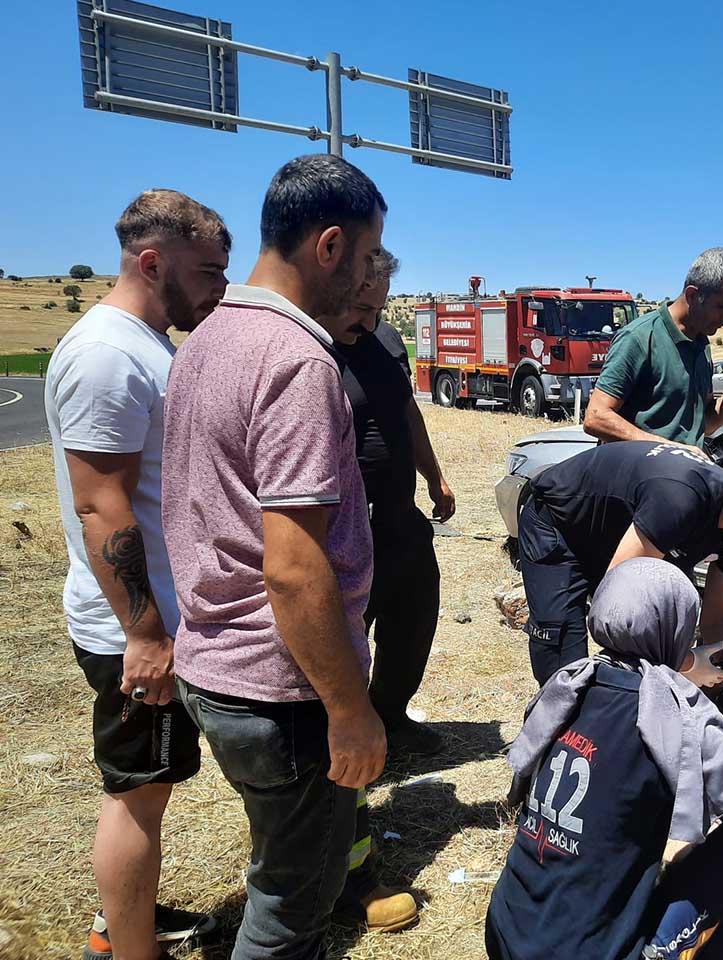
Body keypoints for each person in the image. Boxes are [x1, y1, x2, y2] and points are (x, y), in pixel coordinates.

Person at [163, 154, 387, 959]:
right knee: (294, 909)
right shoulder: (296, 360)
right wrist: (350, 707)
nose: (367, 281)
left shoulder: (209, 334)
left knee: (275, 870)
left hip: (216, 668)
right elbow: (293, 567)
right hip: (281, 690)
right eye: (365, 259)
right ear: (329, 246)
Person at [45, 190, 229, 960]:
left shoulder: (146, 343)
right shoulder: (107, 356)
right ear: (152, 263)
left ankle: (129, 924)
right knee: (137, 799)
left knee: (147, 789)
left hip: (157, 620)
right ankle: (127, 949)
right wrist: (146, 634)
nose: (218, 289)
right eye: (207, 273)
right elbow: (100, 506)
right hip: (137, 630)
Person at [485, 558, 723, 960]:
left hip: (509, 928)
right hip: (584, 951)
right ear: (675, 629)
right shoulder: (677, 723)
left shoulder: (568, 684)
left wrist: (679, 667)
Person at [519, 441, 723, 684]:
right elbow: (616, 611)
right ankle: (554, 746)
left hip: (614, 536)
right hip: (559, 523)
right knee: (563, 654)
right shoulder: (681, 499)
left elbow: (719, 618)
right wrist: (685, 663)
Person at [334, 248, 455, 753]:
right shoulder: (315, 345)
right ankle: (342, 728)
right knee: (348, 625)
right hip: (347, 517)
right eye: (364, 305)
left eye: (379, 307)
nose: (371, 319)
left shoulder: (385, 339)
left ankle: (390, 713)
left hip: (398, 511)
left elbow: (407, 412)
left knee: (415, 608)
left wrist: (434, 476)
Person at [585, 247, 723, 453]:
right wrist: (670, 450)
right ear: (692, 295)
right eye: (722, 307)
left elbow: (701, 425)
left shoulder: (701, 345)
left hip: (682, 476)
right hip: (640, 477)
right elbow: (595, 417)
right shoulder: (639, 338)